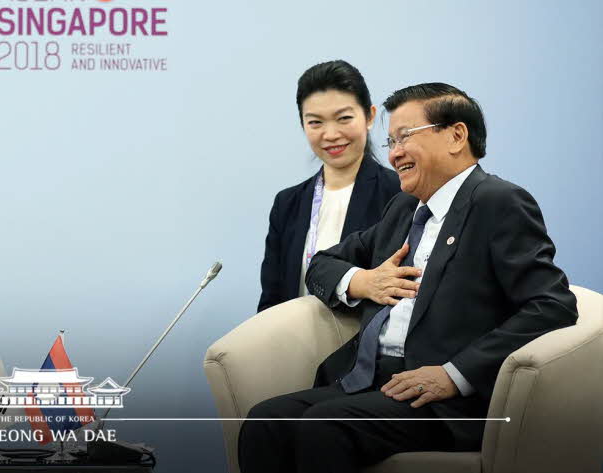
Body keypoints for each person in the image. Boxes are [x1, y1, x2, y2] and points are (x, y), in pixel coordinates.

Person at [238, 82, 579, 472]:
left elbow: (551, 305)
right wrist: (360, 282)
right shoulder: (403, 208)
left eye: (404, 137)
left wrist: (455, 374)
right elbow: (324, 262)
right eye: (390, 142)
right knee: (264, 421)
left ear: (456, 135)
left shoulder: (498, 202)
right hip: (368, 378)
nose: (394, 153)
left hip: (439, 399)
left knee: (324, 427)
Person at [258, 60, 400, 312]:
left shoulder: (399, 193)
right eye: (315, 122)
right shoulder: (287, 204)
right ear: (302, 124)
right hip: (295, 345)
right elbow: (272, 300)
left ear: (370, 116)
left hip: (362, 347)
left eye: (344, 118)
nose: (331, 134)